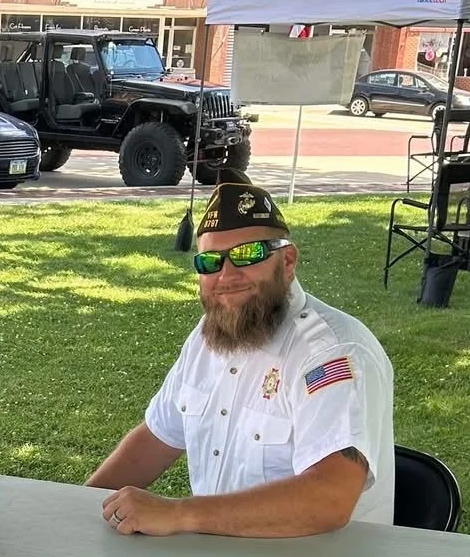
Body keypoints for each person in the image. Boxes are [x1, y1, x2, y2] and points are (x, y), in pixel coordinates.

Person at [88, 174, 394, 538]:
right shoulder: (210, 335)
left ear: (288, 260)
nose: (226, 274)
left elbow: (331, 497)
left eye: (248, 255)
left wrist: (180, 514)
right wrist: (75, 505)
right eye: (210, 262)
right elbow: (155, 439)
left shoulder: (330, 354)